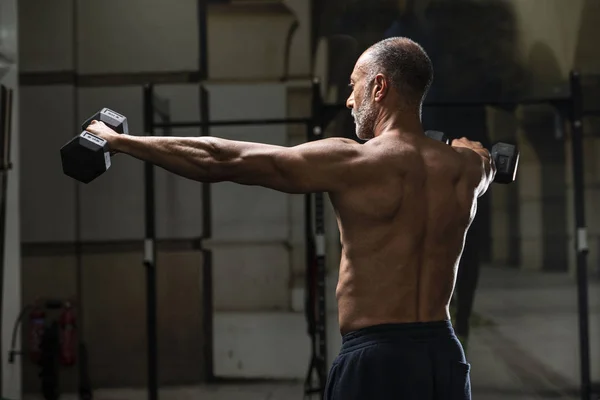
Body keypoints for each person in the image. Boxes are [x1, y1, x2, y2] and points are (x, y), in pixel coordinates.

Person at [86, 37, 495, 399]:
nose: (350, 100)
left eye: (354, 86)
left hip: (377, 359)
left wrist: (120, 141)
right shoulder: (467, 169)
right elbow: (487, 165)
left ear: (379, 86)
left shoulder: (353, 161)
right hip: (443, 355)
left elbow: (223, 159)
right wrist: (476, 153)